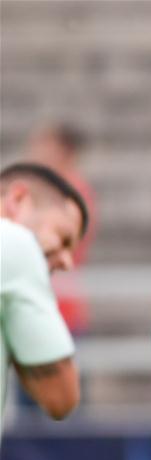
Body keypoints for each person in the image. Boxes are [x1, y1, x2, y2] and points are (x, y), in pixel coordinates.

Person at [0, 162, 89, 441]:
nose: (65, 262)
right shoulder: (15, 242)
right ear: (17, 200)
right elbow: (61, 398)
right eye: (63, 239)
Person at [25, 122, 98, 334]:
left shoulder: (72, 195)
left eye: (44, 145)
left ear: (64, 151)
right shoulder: (43, 190)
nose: (35, 151)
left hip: (57, 307)